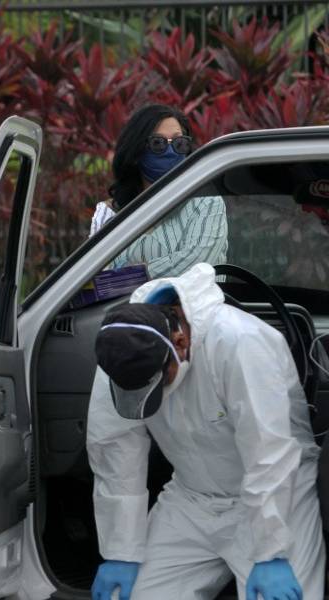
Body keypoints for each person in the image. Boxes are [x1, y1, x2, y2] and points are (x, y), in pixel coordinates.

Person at [87, 262, 324, 600]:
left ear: (180, 341)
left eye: (160, 380)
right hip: (192, 498)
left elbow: (269, 451)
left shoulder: (240, 341)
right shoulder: (121, 349)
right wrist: (120, 550)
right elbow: (115, 449)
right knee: (128, 594)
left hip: (277, 494)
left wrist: (271, 551)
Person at [90, 104, 228, 279]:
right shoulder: (109, 213)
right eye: (158, 143)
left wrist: (131, 275)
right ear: (136, 151)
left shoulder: (206, 202)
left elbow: (197, 266)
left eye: (179, 143)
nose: (170, 151)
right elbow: (96, 276)